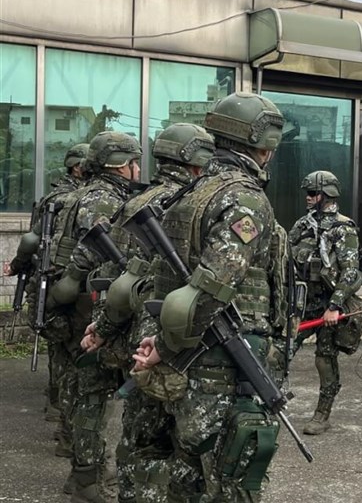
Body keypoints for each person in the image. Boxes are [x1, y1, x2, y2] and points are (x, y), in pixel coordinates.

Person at [132, 92, 285, 502]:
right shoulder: (244, 198)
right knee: (233, 476)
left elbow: (161, 282)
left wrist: (158, 341)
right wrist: (164, 346)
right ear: (263, 146)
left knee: (189, 472)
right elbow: (213, 287)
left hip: (190, 356)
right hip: (223, 362)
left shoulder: (191, 193)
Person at [80, 123, 215, 503]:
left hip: (138, 341)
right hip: (190, 347)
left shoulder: (133, 205)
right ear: (197, 161)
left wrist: (104, 328)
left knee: (141, 441)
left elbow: (115, 278)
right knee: (189, 450)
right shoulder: (206, 205)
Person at [47, 131, 142, 502]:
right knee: (91, 393)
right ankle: (87, 478)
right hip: (92, 303)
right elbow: (96, 253)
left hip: (80, 301)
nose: (138, 170)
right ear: (123, 164)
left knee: (83, 389)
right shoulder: (104, 200)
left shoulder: (78, 195)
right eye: (135, 162)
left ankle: (83, 474)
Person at [6, 143, 89, 456]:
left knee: (60, 349)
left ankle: (57, 402)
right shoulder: (76, 199)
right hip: (65, 282)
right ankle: (63, 410)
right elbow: (33, 239)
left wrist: (18, 266)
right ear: (77, 167)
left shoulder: (56, 198)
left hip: (53, 281)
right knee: (70, 352)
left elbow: (30, 240)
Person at [288, 170, 362, 435]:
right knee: (280, 350)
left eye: (313, 194)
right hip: (301, 302)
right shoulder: (302, 225)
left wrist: (334, 307)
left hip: (328, 303)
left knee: (324, 358)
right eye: (307, 194)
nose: (308, 198)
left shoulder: (343, 229)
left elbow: (350, 272)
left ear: (327, 195)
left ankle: (323, 413)